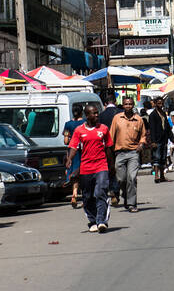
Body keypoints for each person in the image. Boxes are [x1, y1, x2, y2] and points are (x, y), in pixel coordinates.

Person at [67, 103, 114, 233]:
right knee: (87, 196)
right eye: (94, 113)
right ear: (87, 115)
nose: (97, 115)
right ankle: (92, 221)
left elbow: (109, 147)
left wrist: (111, 166)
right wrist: (70, 159)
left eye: (97, 112)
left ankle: (101, 221)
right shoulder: (79, 130)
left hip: (101, 166)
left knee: (100, 192)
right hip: (86, 168)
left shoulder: (103, 129)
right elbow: (73, 147)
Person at [109, 96, 146, 213]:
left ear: (133, 105)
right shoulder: (117, 118)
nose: (128, 106)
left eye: (130, 104)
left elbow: (143, 136)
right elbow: (111, 137)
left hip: (133, 153)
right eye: (126, 104)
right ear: (123, 105)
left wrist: (141, 144)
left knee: (132, 177)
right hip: (119, 153)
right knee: (121, 179)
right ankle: (125, 194)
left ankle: (131, 203)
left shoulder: (139, 120)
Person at [62, 103, 85, 209]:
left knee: (74, 173)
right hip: (83, 150)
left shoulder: (68, 124)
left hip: (72, 151)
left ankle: (74, 194)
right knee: (84, 173)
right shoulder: (85, 123)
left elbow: (66, 141)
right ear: (82, 111)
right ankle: (84, 197)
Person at [147, 96, 172, 183]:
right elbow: (152, 129)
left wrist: (171, 137)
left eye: (161, 103)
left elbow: (167, 127)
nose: (160, 105)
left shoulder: (163, 113)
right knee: (156, 158)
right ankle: (156, 176)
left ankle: (162, 176)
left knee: (163, 158)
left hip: (164, 139)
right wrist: (153, 141)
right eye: (158, 103)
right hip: (156, 140)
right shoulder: (152, 115)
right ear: (155, 104)